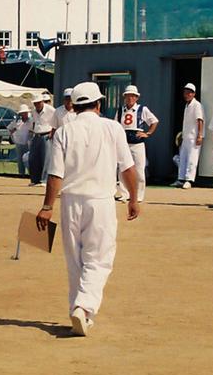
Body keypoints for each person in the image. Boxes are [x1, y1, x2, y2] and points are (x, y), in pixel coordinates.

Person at [36, 81, 139, 337]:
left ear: (74, 106)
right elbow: (128, 168)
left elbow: (55, 174)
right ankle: (83, 306)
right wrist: (134, 198)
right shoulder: (112, 128)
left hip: (70, 202)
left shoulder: (64, 132)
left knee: (75, 261)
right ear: (99, 104)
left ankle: (79, 312)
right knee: (99, 260)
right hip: (100, 201)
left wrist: (47, 206)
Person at [114, 85, 159, 203]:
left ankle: (139, 195)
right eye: (128, 96)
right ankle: (124, 194)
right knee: (122, 169)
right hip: (124, 143)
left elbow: (154, 121)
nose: (130, 98)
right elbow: (115, 125)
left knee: (139, 169)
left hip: (137, 143)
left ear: (136, 98)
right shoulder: (120, 110)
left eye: (133, 96)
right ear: (125, 97)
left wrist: (148, 133)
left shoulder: (142, 109)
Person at [174, 83, 204, 188]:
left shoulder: (197, 105)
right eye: (185, 92)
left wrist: (200, 135)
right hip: (186, 137)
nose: (186, 95)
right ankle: (181, 179)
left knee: (192, 159)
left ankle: (189, 180)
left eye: (189, 93)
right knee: (183, 158)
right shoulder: (186, 106)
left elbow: (200, 120)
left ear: (193, 94)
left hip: (194, 137)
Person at [26, 93, 56, 186]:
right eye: (35, 103)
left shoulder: (51, 110)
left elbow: (56, 121)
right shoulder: (34, 111)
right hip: (36, 135)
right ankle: (35, 179)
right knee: (33, 158)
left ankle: (44, 180)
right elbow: (34, 123)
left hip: (46, 135)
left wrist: (52, 132)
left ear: (42, 102)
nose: (37, 105)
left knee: (46, 158)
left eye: (38, 103)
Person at [9, 104, 32, 176]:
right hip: (19, 143)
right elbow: (9, 128)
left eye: (26, 112)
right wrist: (13, 131)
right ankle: (21, 173)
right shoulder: (17, 122)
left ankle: (30, 173)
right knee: (20, 159)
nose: (24, 114)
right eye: (23, 113)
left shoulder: (31, 121)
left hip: (28, 143)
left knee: (28, 159)